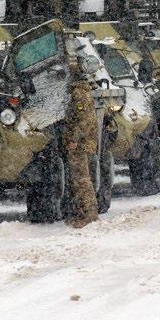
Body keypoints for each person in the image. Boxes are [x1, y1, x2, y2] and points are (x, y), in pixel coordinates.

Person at [62, 74, 99, 228]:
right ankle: (83, 213)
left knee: (81, 179)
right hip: (82, 143)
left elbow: (83, 121)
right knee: (79, 179)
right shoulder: (82, 93)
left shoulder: (79, 94)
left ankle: (89, 215)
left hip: (80, 145)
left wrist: (74, 139)